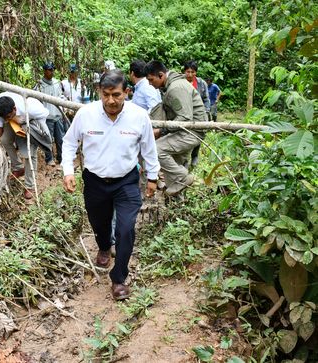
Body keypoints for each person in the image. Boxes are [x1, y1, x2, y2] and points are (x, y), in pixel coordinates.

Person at [61, 70, 159, 301]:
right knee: (100, 223)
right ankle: (104, 246)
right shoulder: (86, 114)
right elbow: (68, 143)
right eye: (106, 95)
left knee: (125, 229)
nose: (111, 101)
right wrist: (68, 171)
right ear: (99, 92)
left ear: (127, 92)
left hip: (126, 181)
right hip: (94, 180)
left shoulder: (139, 116)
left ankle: (119, 278)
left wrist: (153, 177)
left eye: (116, 94)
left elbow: (148, 148)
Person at [145, 60, 206, 196]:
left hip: (192, 132)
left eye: (151, 79)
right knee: (173, 167)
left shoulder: (175, 88)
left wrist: (161, 131)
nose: (149, 83)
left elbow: (185, 118)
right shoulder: (173, 85)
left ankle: (183, 178)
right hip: (186, 130)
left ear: (161, 75)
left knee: (157, 149)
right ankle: (178, 203)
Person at [0, 92, 51, 200]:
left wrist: (43, 137)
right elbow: (0, 116)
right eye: (4, 117)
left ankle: (30, 186)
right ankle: (18, 167)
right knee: (5, 140)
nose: (6, 119)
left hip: (29, 121)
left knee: (29, 154)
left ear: (14, 108)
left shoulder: (31, 109)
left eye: (8, 116)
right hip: (13, 121)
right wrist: (0, 126)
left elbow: (43, 116)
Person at [34, 62, 65, 167]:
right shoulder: (39, 85)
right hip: (47, 117)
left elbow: (61, 96)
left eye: (52, 70)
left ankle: (61, 158)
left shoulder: (57, 83)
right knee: (48, 139)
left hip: (58, 115)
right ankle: (49, 159)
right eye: (49, 70)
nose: (51, 72)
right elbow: (34, 101)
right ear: (44, 71)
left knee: (60, 139)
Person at [183, 60, 210, 168]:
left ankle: (195, 156)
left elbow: (206, 99)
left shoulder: (201, 83)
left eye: (192, 72)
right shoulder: (181, 82)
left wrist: (206, 112)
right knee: (184, 136)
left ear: (196, 73)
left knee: (198, 135)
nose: (190, 74)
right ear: (184, 72)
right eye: (188, 72)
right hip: (185, 113)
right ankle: (184, 159)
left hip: (198, 113)